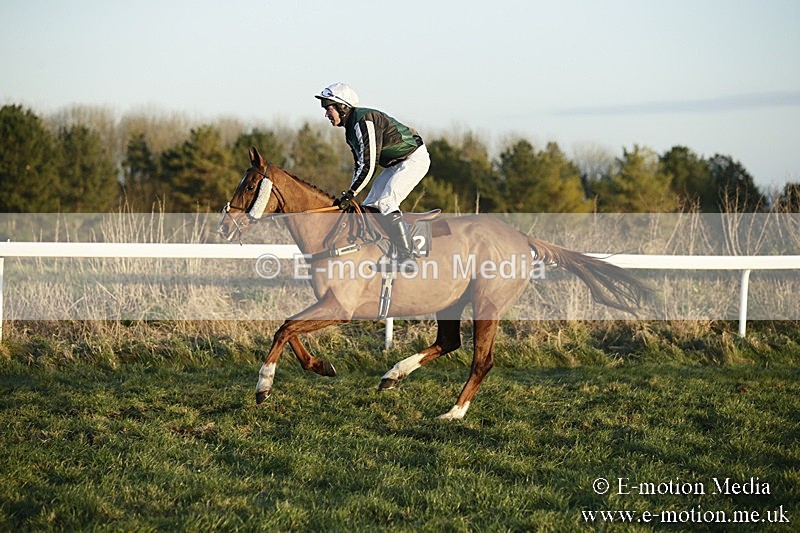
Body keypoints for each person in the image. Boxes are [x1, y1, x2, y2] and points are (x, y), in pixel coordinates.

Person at [315, 82, 430, 266]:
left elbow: (369, 165)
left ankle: (407, 257)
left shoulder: (364, 121)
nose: (326, 114)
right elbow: (359, 165)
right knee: (370, 206)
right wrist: (350, 193)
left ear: (342, 107)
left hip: (413, 160)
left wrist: (352, 193)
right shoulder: (350, 130)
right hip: (395, 165)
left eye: (328, 108)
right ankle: (386, 251)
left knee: (385, 203)